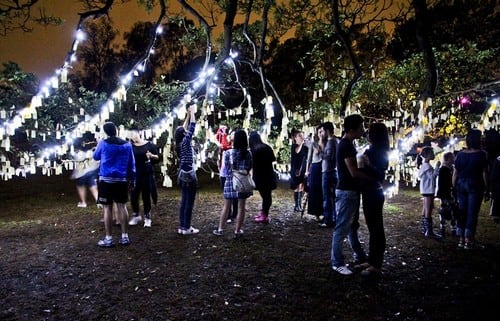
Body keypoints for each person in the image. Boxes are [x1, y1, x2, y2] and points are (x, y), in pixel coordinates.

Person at [331, 114, 369, 276]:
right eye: (361, 127)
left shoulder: (348, 144)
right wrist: (373, 178)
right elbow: (353, 171)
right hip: (347, 191)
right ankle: (337, 262)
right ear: (352, 129)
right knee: (342, 227)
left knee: (352, 226)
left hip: (350, 191)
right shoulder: (346, 145)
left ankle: (359, 254)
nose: (363, 130)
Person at [93, 122, 136, 247]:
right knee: (122, 206)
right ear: (116, 130)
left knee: (107, 208)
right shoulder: (127, 145)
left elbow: (96, 157)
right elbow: (131, 164)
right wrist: (132, 179)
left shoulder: (103, 143)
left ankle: (108, 238)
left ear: (105, 132)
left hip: (106, 179)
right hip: (121, 180)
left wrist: (97, 145)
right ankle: (124, 236)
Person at [357, 122, 390, 277]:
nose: (367, 134)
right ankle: (371, 260)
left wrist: (367, 164)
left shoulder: (378, 151)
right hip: (370, 191)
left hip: (373, 192)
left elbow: (380, 175)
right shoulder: (376, 150)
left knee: (376, 228)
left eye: (369, 132)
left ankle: (376, 264)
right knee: (372, 228)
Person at [453, 129, 489, 249]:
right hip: (475, 184)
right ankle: (469, 239)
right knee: (472, 212)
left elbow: (455, 173)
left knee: (462, 212)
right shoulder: (482, 154)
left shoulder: (460, 154)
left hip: (461, 184)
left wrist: (453, 186)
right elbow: (484, 173)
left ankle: (461, 238)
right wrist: (487, 188)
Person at [213, 129, 253, 237]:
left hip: (230, 180)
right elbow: (249, 167)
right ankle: (237, 231)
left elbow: (226, 168)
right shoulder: (248, 154)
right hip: (242, 181)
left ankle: (220, 229)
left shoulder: (228, 153)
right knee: (241, 207)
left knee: (226, 206)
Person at [174, 104, 200, 235]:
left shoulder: (179, 142)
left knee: (184, 201)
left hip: (182, 173)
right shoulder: (185, 141)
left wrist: (188, 115)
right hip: (189, 173)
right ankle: (187, 227)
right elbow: (192, 126)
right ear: (183, 134)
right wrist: (193, 113)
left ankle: (182, 227)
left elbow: (183, 128)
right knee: (189, 201)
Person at [127, 129, 159, 228]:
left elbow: (157, 157)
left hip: (146, 174)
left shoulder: (149, 145)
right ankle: (136, 214)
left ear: (139, 133)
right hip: (135, 174)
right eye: (131, 135)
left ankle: (147, 217)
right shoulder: (130, 147)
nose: (133, 137)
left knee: (146, 196)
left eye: (134, 134)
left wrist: (152, 156)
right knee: (134, 196)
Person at [249, 131, 277, 223]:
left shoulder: (253, 151)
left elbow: (250, 164)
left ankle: (264, 215)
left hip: (259, 176)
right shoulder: (266, 147)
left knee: (265, 197)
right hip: (268, 174)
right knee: (267, 196)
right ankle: (264, 213)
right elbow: (273, 159)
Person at [417, 146, 441, 239]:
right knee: (429, 208)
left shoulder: (424, 166)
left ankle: (424, 228)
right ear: (427, 155)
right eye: (432, 153)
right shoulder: (427, 167)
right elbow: (433, 177)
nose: (433, 155)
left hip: (426, 189)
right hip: (428, 190)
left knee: (426, 207)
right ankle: (428, 230)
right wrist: (437, 167)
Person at [216, 126, 238, 223]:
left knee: (235, 196)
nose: (231, 135)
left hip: (234, 174)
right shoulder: (226, 146)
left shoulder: (234, 148)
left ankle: (235, 214)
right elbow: (219, 139)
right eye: (230, 133)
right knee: (227, 196)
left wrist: (224, 134)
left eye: (233, 134)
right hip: (224, 173)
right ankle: (229, 214)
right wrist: (221, 131)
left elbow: (224, 146)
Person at [318, 122, 337, 228]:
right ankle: (333, 218)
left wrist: (320, 150)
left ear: (327, 131)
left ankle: (328, 219)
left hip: (328, 172)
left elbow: (327, 157)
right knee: (332, 197)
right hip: (333, 171)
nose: (321, 133)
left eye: (322, 131)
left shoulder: (330, 142)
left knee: (327, 197)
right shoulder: (335, 141)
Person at [435, 152, 457, 236]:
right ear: (447, 159)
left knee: (453, 209)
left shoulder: (453, 169)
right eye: (452, 158)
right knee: (444, 209)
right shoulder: (443, 169)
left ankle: (453, 227)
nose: (453, 160)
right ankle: (443, 226)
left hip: (452, 193)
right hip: (445, 193)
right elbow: (441, 183)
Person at [305, 125, 323, 219]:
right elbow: (309, 158)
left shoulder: (327, 143)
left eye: (322, 132)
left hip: (323, 168)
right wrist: (307, 171)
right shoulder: (313, 144)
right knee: (315, 190)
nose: (321, 134)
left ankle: (323, 212)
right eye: (319, 132)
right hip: (315, 168)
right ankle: (316, 213)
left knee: (322, 190)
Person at [290, 130, 308, 212]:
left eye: (302, 135)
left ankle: (299, 205)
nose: (301, 137)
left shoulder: (305, 147)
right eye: (300, 136)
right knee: (296, 187)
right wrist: (301, 143)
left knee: (301, 187)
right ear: (296, 138)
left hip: (303, 169)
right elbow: (297, 152)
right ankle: (296, 205)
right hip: (295, 169)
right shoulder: (294, 146)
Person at [489, 155, 500, 224]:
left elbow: (493, 174)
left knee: (496, 200)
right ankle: (495, 215)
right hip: (498, 184)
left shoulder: (497, 160)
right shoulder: (497, 160)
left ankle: (495, 215)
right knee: (496, 200)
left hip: (498, 184)